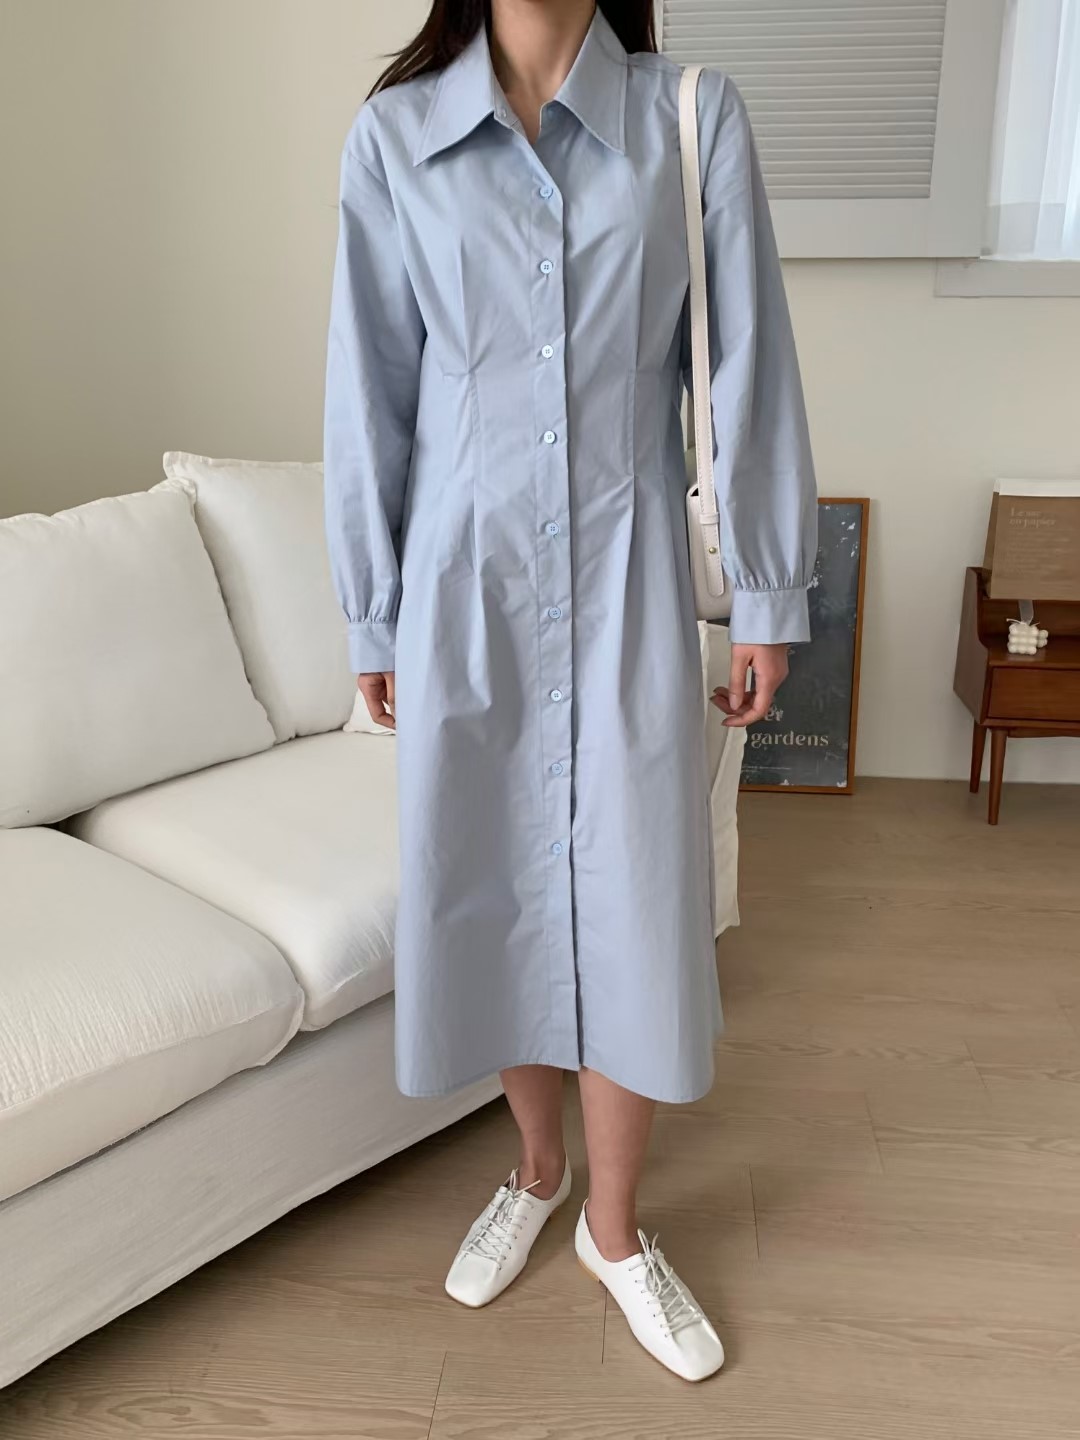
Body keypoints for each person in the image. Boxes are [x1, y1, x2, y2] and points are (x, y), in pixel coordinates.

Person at [323, 0, 817, 1383]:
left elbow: (748, 366)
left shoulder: (690, 118)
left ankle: (614, 1227)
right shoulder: (396, 137)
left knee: (637, 901)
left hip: (629, 581)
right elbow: (371, 386)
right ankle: (535, 1172)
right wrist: (373, 605)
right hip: (463, 590)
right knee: (489, 881)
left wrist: (768, 592)